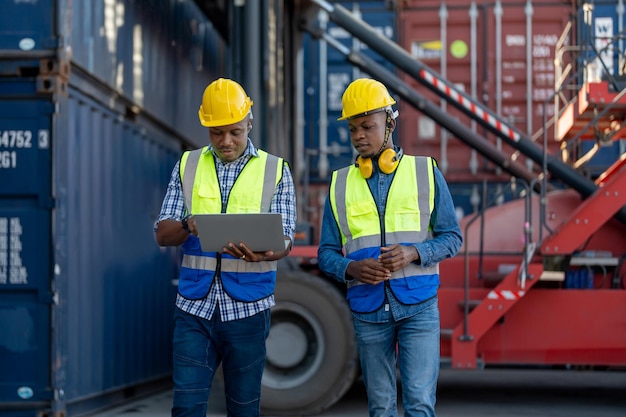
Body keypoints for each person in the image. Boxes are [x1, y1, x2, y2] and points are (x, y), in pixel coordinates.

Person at [317, 78, 462, 417]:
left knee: (419, 405)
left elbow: (452, 237)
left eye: (367, 126)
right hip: (368, 310)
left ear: (390, 124)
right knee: (380, 408)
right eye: (353, 129)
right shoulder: (340, 184)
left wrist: (415, 252)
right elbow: (326, 253)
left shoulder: (425, 172)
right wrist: (350, 268)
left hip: (419, 306)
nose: (359, 136)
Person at [154, 77, 296, 417]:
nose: (226, 141)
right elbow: (162, 233)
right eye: (217, 133)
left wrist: (268, 252)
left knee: (244, 409)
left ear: (250, 121)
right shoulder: (188, 165)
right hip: (194, 308)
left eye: (235, 131)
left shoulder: (275, 170)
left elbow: (286, 238)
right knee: (186, 408)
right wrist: (189, 225)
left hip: (248, 308)